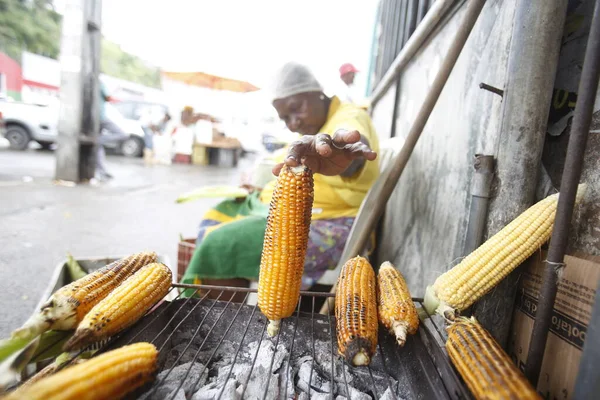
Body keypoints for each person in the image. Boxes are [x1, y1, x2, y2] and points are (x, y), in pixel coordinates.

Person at [181, 61, 379, 297]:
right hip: (291, 210)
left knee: (221, 242)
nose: (293, 122)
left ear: (317, 93)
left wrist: (342, 150)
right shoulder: (311, 129)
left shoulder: (349, 116)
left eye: (296, 108)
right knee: (216, 215)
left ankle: (223, 319)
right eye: (285, 118)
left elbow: (351, 145)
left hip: (334, 219)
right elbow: (282, 156)